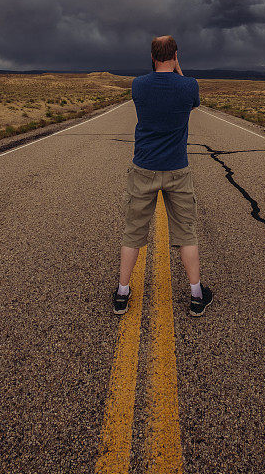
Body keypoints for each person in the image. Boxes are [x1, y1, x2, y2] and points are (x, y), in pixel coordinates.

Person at [113, 35, 213, 317]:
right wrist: (179, 71)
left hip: (144, 168)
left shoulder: (139, 85)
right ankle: (196, 295)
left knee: (132, 232)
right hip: (177, 169)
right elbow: (193, 103)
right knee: (186, 233)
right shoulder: (189, 86)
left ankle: (122, 293)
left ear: (152, 56)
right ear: (176, 55)